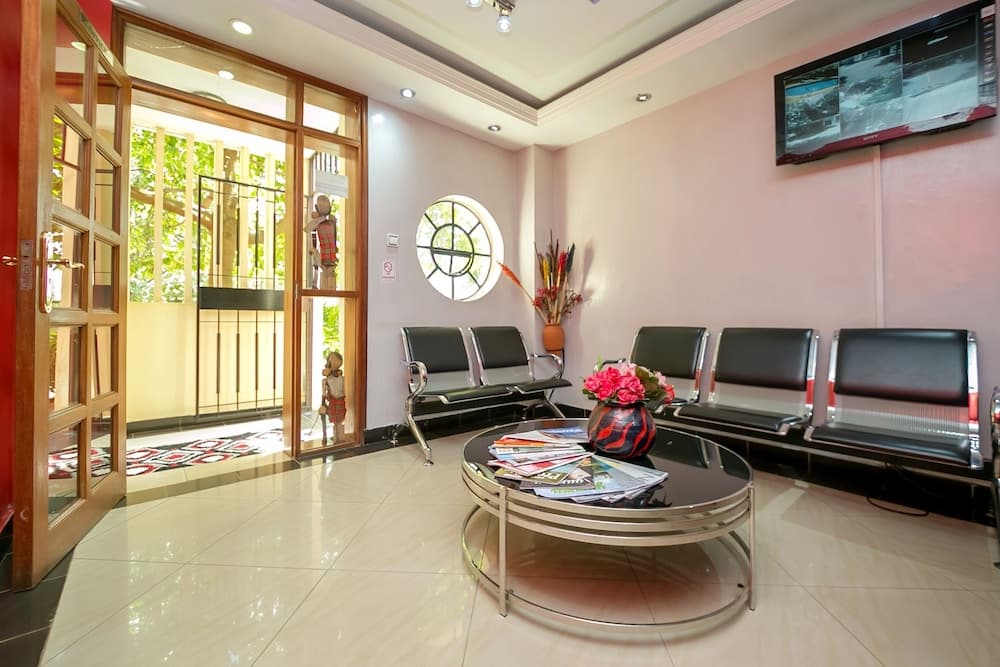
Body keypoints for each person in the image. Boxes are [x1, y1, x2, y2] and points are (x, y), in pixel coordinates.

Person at [306, 194, 337, 289]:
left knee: (330, 274)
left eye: (326, 206)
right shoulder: (316, 220)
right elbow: (307, 229)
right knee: (320, 271)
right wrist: (321, 219)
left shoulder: (331, 221)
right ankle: (317, 285)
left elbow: (334, 236)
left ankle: (330, 288)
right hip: (320, 253)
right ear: (317, 207)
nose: (324, 209)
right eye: (321, 207)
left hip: (331, 254)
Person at [317, 350, 346, 444]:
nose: (335, 361)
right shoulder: (326, 379)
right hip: (333, 400)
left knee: (340, 420)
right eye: (332, 359)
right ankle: (336, 437)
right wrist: (324, 401)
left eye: (337, 359)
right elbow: (324, 393)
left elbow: (344, 390)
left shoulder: (342, 377)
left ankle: (340, 437)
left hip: (341, 400)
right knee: (335, 420)